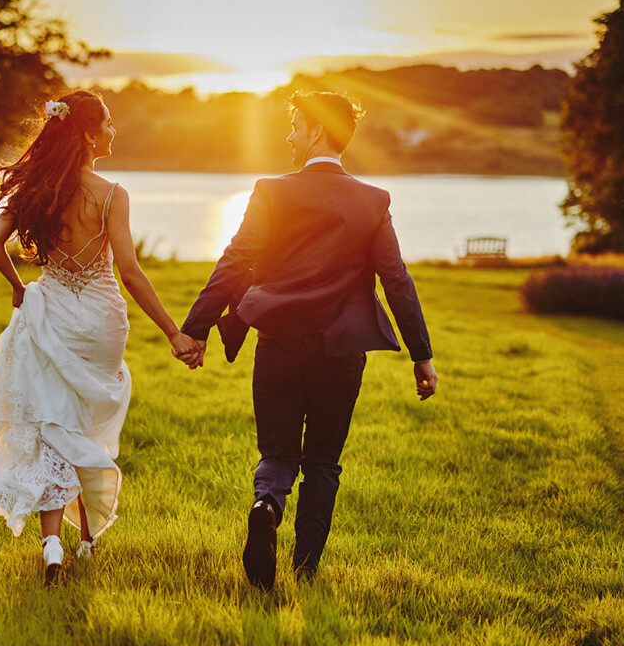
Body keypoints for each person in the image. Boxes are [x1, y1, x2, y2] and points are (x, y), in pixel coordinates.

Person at [177, 91, 437, 590]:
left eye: (295, 125)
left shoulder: (271, 191)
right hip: (341, 355)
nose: (290, 134)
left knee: (277, 454)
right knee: (323, 461)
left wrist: (195, 329)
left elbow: (235, 261)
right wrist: (421, 355)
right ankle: (306, 569)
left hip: (277, 345)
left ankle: (266, 506)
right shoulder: (373, 200)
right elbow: (396, 279)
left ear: (317, 131)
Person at [0, 89, 203, 586]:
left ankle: (52, 545)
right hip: (103, 321)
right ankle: (85, 542)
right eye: (107, 123)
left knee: (52, 427)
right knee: (84, 426)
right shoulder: (111, 194)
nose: (112, 131)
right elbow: (129, 270)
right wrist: (174, 333)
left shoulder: (33, 189)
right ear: (86, 133)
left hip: (54, 313)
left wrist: (20, 288)